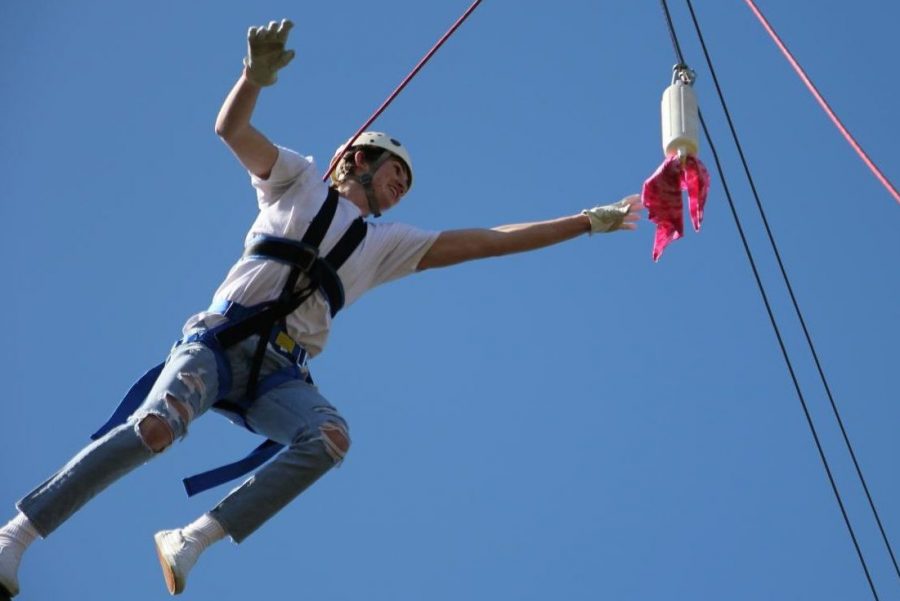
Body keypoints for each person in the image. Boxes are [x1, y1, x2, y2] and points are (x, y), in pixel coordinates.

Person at [0, 18, 642, 598]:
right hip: (217, 346)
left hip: (280, 373)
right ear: (357, 159)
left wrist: (585, 222)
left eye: (406, 185)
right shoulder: (298, 179)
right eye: (396, 172)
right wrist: (252, 77)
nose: (400, 187)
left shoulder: (391, 244)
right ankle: (16, 537)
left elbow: (487, 241)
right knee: (155, 430)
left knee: (330, 438)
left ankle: (192, 538)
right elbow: (233, 130)